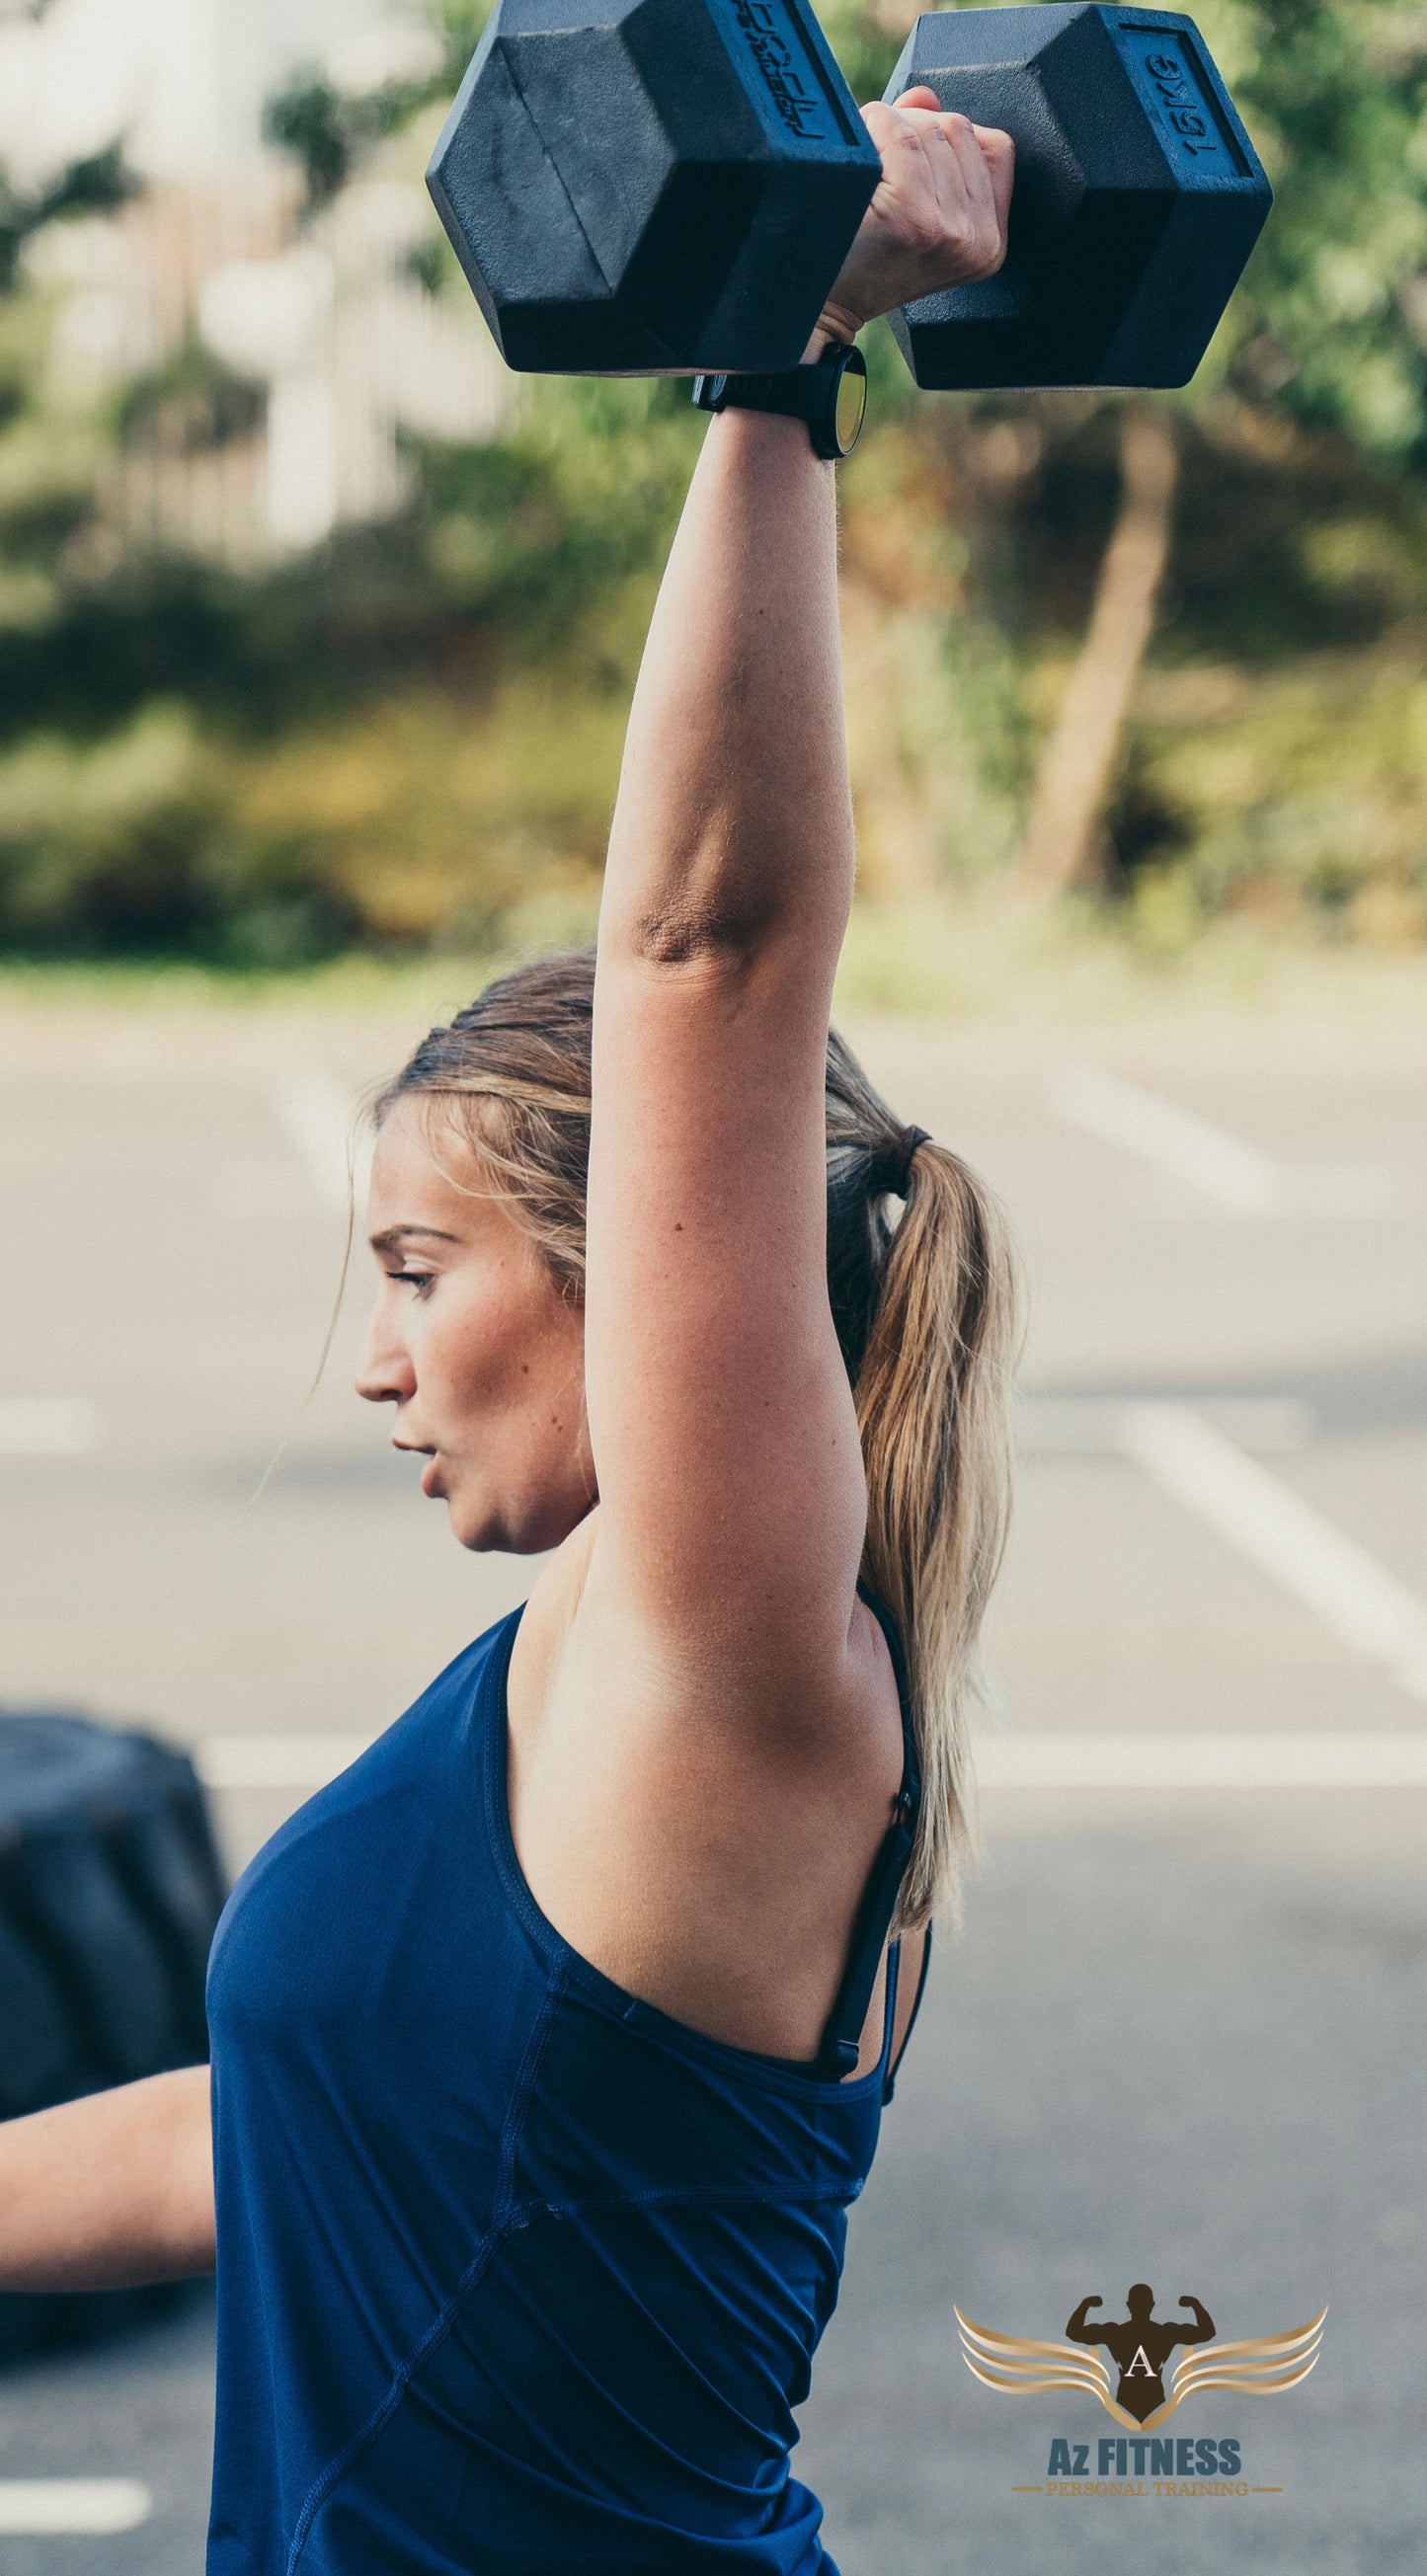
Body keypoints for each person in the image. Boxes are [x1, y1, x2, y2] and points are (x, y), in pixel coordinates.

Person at [0, 91, 1018, 2574]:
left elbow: (707, 956)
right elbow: (301, 2121)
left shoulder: (733, 1652)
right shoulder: (583, 1668)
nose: (371, 1357)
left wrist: (778, 347)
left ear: (652, 1267)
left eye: (422, 1269)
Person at [1067, 2287, 1217, 2425]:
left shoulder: (1116, 2333)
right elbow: (1207, 2332)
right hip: (1149, 2402)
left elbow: (1074, 2332)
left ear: (1128, 2305)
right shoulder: (1164, 2333)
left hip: (1136, 2403)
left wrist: (1086, 2305)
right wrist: (1194, 2304)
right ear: (1152, 2305)